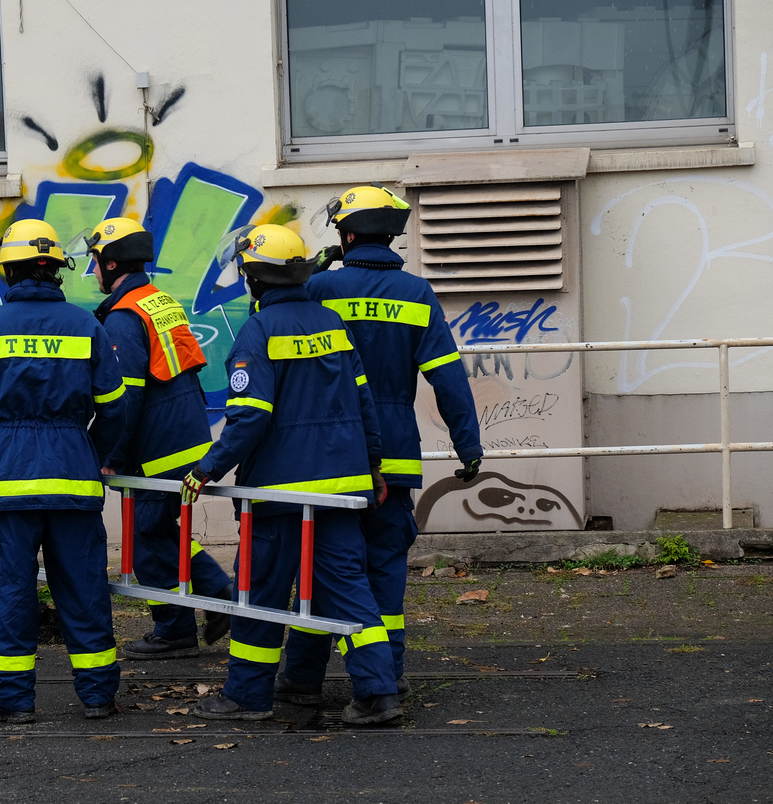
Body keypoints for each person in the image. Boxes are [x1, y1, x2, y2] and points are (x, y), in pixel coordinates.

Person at [182, 223, 401, 725]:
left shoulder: (258, 332)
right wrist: (372, 465)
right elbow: (363, 401)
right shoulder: (332, 323)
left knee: (259, 594)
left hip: (281, 493)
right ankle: (378, 693)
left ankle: (247, 695)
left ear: (254, 278)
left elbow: (250, 417)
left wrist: (207, 468)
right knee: (348, 589)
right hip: (341, 489)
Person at [275, 184, 484, 706]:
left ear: (346, 235)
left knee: (322, 565)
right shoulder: (416, 294)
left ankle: (302, 677)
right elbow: (447, 377)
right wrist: (468, 444)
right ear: (390, 236)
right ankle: (387, 672)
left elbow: (271, 321)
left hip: (330, 453)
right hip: (395, 451)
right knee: (386, 566)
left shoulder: (319, 288)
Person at [0, 218, 127, 723]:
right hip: (74, 478)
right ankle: (97, 697)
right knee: (84, 590)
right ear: (56, 269)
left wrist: (7, 439)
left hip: (8, 480)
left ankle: (14, 703)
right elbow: (115, 406)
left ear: (8, 270)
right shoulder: (86, 325)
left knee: (10, 594)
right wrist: (86, 448)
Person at [82, 216, 233, 659]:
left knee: (146, 540)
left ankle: (174, 631)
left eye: (95, 261)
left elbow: (125, 398)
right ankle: (218, 592)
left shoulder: (123, 318)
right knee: (160, 529)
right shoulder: (157, 300)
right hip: (184, 437)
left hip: (157, 448)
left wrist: (110, 453)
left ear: (111, 263)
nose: (93, 269)